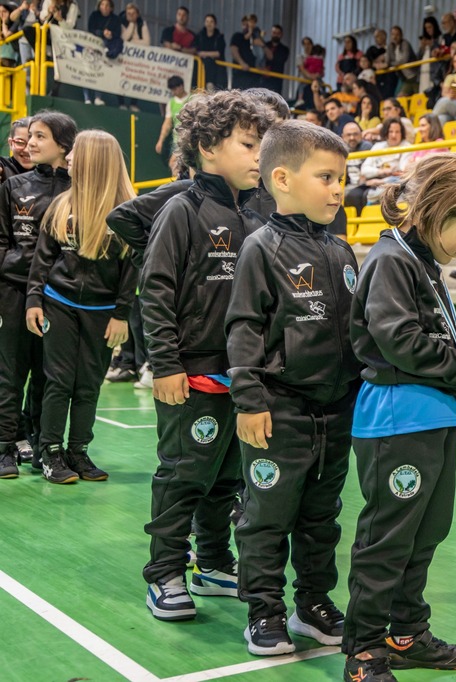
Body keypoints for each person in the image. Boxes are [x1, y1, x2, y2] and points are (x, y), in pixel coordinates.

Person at [342, 153, 456, 682]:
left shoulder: (420, 263)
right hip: (397, 418)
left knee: (425, 533)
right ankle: (365, 649)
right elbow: (400, 340)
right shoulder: (391, 258)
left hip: (428, 417)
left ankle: (406, 632)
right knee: (389, 539)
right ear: (439, 208)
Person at [224, 120, 361, 655]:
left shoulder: (343, 250)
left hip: (336, 412)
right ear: (282, 179)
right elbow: (244, 328)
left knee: (321, 517)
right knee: (266, 516)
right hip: (278, 410)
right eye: (326, 177)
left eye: (342, 178)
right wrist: (249, 400)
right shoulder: (261, 248)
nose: (337, 189)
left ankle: (313, 604)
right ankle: (264, 610)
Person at [139, 90, 274, 622]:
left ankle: (214, 562)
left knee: (227, 478)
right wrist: (166, 364)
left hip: (243, 375)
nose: (259, 155)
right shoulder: (182, 209)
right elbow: (156, 291)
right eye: (248, 144)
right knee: (183, 475)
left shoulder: (259, 216)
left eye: (261, 144)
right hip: (191, 373)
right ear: (208, 147)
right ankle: (165, 573)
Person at [24, 130, 136, 484]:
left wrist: (122, 315)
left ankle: (78, 451)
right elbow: (42, 260)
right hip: (58, 304)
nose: (69, 158)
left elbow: (132, 271)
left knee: (89, 384)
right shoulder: (61, 205)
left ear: (94, 160)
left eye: (76, 153)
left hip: (103, 313)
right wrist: (33, 301)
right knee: (58, 381)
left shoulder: (128, 212)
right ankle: (50, 452)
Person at [0, 111, 75, 479]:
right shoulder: (13, 187)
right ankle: (4, 447)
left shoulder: (79, 190)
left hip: (59, 296)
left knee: (50, 377)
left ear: (63, 144)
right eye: (28, 136)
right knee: (10, 372)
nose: (30, 143)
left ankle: (43, 447)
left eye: (39, 136)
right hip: (14, 292)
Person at [345, 118, 412, 213]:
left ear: (402, 133)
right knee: (353, 195)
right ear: (386, 132)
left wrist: (381, 180)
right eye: (391, 132)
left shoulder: (407, 146)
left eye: (397, 132)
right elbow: (364, 169)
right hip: (371, 181)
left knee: (368, 195)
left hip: (392, 183)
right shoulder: (378, 146)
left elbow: (402, 171)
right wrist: (382, 172)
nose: (394, 135)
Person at [83, 0, 120, 106]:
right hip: (92, 46)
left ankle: (98, 97)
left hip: (105, 49)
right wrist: (102, 33)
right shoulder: (94, 15)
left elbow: (118, 33)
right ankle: (87, 97)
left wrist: (110, 35)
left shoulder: (115, 19)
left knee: (100, 70)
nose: (105, 7)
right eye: (102, 4)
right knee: (87, 70)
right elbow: (91, 29)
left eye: (107, 5)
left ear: (111, 8)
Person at [118, 3, 149, 110]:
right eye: (128, 13)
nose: (131, 15)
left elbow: (146, 42)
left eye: (133, 13)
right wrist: (131, 24)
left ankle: (133, 103)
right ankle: (121, 103)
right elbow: (124, 38)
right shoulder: (121, 22)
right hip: (124, 57)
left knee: (137, 78)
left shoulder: (142, 24)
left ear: (137, 14)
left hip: (137, 58)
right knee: (121, 77)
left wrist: (132, 43)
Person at [154, 76, 187, 169]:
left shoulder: (192, 99)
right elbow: (167, 123)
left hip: (189, 139)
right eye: (172, 90)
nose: (173, 92)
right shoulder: (171, 103)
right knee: (175, 166)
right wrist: (160, 140)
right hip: (176, 141)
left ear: (181, 86)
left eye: (175, 89)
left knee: (174, 163)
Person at [195, 14, 226, 90]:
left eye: (211, 21)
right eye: (207, 21)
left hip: (218, 70)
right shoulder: (199, 36)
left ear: (215, 24)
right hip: (201, 68)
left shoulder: (219, 37)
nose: (209, 24)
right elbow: (196, 51)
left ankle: (210, 85)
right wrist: (210, 54)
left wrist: (204, 54)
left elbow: (219, 53)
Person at [0, 117, 35, 184]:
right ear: (10, 143)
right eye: (20, 143)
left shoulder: (49, 172)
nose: (27, 150)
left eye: (33, 144)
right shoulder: (3, 166)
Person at [230, 15, 260, 90]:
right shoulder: (238, 36)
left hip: (253, 78)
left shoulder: (255, 38)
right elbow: (234, 50)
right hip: (240, 76)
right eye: (245, 24)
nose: (247, 26)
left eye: (249, 25)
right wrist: (242, 63)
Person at [260, 24, 289, 94]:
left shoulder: (284, 49)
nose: (276, 35)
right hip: (262, 80)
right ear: (271, 33)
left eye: (278, 33)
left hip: (275, 81)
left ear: (281, 35)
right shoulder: (265, 45)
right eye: (274, 33)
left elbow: (279, 61)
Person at [389, 26, 418, 96]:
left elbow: (405, 59)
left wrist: (393, 64)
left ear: (401, 35)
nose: (395, 37)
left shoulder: (405, 43)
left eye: (397, 35)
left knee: (418, 97)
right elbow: (388, 60)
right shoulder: (391, 46)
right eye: (393, 34)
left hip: (415, 76)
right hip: (406, 79)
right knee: (400, 97)